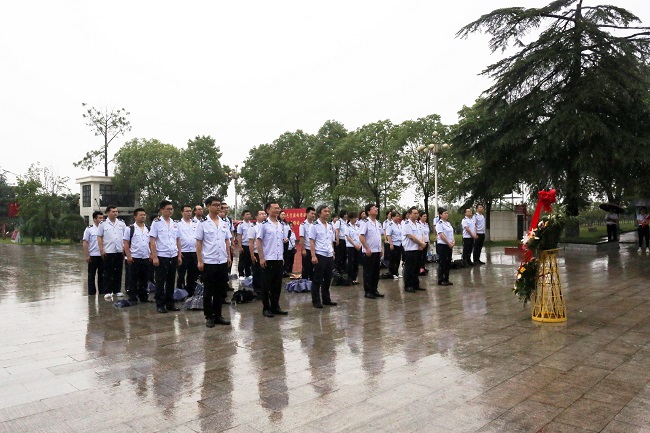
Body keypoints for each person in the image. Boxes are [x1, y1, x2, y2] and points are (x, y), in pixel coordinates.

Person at [196, 196, 232, 327]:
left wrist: (228, 256)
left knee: (220, 290)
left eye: (219, 205)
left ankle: (218, 315)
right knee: (208, 290)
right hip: (209, 261)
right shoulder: (203, 223)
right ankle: (209, 316)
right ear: (208, 206)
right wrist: (200, 260)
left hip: (222, 260)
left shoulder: (223, 222)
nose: (218, 207)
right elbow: (199, 243)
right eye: (215, 205)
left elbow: (227, 240)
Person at [149, 200, 183, 313]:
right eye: (168, 209)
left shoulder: (175, 223)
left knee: (171, 280)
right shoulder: (156, 223)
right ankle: (160, 303)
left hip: (173, 255)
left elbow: (178, 240)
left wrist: (179, 255)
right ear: (162, 210)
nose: (170, 211)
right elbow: (152, 241)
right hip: (162, 255)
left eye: (171, 209)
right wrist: (154, 257)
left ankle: (170, 303)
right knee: (160, 281)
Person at [256, 201, 288, 317]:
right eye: (275, 208)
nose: (277, 210)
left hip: (278, 259)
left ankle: (275, 306)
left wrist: (282, 257)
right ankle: (266, 308)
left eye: (278, 208)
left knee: (277, 285)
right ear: (268, 210)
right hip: (268, 259)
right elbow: (259, 241)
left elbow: (280, 242)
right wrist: (261, 258)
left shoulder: (281, 224)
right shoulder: (264, 225)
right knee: (266, 285)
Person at [309, 205, 338, 308]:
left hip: (329, 254)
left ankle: (326, 299)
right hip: (320, 254)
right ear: (319, 213)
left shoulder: (330, 225)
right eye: (325, 211)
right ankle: (316, 300)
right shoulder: (314, 225)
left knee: (328, 278)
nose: (327, 213)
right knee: (317, 279)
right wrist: (313, 256)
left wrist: (333, 252)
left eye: (328, 211)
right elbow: (312, 241)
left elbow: (330, 240)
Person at [97, 205, 127, 299]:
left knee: (118, 272)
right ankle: (108, 291)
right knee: (108, 272)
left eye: (116, 211)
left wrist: (124, 248)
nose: (115, 213)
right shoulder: (103, 224)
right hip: (108, 251)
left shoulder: (121, 223)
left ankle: (117, 290)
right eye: (113, 211)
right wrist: (101, 249)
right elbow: (99, 237)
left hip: (119, 251)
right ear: (107, 213)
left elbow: (125, 237)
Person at [122, 208, 151, 304]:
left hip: (145, 257)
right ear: (135, 217)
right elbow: (126, 243)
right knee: (133, 279)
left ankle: (143, 297)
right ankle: (133, 298)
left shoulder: (148, 228)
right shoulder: (130, 229)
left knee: (144, 278)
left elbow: (150, 243)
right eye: (141, 215)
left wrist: (151, 254)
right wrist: (128, 256)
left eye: (144, 215)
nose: (143, 216)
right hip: (134, 257)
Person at [359, 204, 384, 299]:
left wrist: (381, 249)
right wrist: (366, 248)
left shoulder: (377, 223)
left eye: (376, 208)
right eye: (373, 208)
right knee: (368, 272)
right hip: (369, 251)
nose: (376, 209)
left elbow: (379, 237)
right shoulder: (365, 222)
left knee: (376, 272)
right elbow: (361, 236)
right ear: (368, 212)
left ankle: (374, 289)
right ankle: (368, 291)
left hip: (377, 251)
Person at [402, 207, 427, 293]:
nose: (416, 215)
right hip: (410, 249)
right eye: (414, 213)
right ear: (409, 215)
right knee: (410, 268)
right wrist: (421, 243)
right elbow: (411, 236)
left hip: (418, 248)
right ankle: (408, 285)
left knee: (417, 267)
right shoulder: (406, 224)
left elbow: (422, 234)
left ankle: (416, 284)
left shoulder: (418, 224)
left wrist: (422, 243)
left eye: (417, 213)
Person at [177, 204, 200, 296]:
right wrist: (179, 252)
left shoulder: (196, 223)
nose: (189, 213)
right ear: (182, 212)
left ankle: (191, 291)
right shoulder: (178, 224)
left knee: (193, 273)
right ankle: (180, 293)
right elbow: (176, 238)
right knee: (181, 274)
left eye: (190, 211)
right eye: (187, 211)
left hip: (194, 252)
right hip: (183, 252)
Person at [82, 211, 104, 296]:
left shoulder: (105, 228)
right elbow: (85, 242)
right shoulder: (89, 229)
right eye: (100, 218)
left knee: (102, 276)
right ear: (94, 219)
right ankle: (91, 294)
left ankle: (102, 293)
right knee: (91, 276)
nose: (102, 219)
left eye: (102, 218)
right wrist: (87, 255)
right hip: (93, 256)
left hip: (103, 256)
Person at [248, 210, 267, 297]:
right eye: (261, 214)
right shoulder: (253, 228)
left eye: (264, 214)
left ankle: (265, 289)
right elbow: (251, 242)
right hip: (257, 253)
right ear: (256, 217)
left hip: (266, 253)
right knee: (257, 272)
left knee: (265, 273)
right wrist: (252, 255)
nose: (263, 215)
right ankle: (258, 290)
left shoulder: (267, 226)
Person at [436, 207, 455, 286]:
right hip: (443, 245)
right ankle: (441, 279)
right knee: (443, 262)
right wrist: (448, 243)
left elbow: (451, 233)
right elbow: (441, 235)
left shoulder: (448, 223)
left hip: (449, 245)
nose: (447, 215)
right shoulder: (439, 224)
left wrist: (453, 241)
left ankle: (446, 278)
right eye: (445, 213)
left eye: (447, 213)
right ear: (440, 215)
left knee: (448, 262)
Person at [300, 207, 317, 281]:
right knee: (306, 267)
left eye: (314, 214)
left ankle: (313, 282)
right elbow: (302, 238)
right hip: (307, 249)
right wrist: (303, 249)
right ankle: (305, 283)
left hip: (316, 249)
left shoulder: (315, 224)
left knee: (314, 268)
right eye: (312, 213)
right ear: (307, 213)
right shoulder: (303, 225)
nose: (313, 215)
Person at [385, 210, 403, 279]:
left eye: (398, 216)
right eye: (396, 216)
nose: (398, 218)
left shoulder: (399, 225)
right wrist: (391, 244)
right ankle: (392, 273)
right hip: (393, 244)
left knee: (398, 259)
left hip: (399, 244)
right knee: (392, 259)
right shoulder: (390, 225)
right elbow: (388, 235)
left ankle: (396, 272)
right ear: (392, 217)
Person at [345, 212, 361, 285]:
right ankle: (350, 278)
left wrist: (360, 244)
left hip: (358, 246)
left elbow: (360, 236)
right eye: (354, 218)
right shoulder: (347, 226)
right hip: (351, 246)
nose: (356, 219)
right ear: (351, 218)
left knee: (356, 263)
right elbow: (348, 237)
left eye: (356, 218)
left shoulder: (357, 226)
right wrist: (354, 244)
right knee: (350, 262)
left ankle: (355, 278)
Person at [236, 210, 254, 279]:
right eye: (247, 214)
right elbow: (239, 236)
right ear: (243, 216)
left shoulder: (252, 224)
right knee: (242, 260)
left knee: (249, 260)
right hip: (244, 244)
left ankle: (248, 273)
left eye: (249, 214)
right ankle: (241, 274)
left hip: (251, 245)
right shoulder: (241, 225)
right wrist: (240, 246)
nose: (248, 215)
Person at [334, 209, 348, 274]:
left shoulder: (347, 222)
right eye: (345, 214)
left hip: (346, 240)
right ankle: (338, 269)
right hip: (341, 239)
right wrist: (337, 240)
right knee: (340, 255)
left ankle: (344, 268)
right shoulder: (339, 222)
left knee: (345, 255)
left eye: (347, 214)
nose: (346, 215)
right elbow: (337, 231)